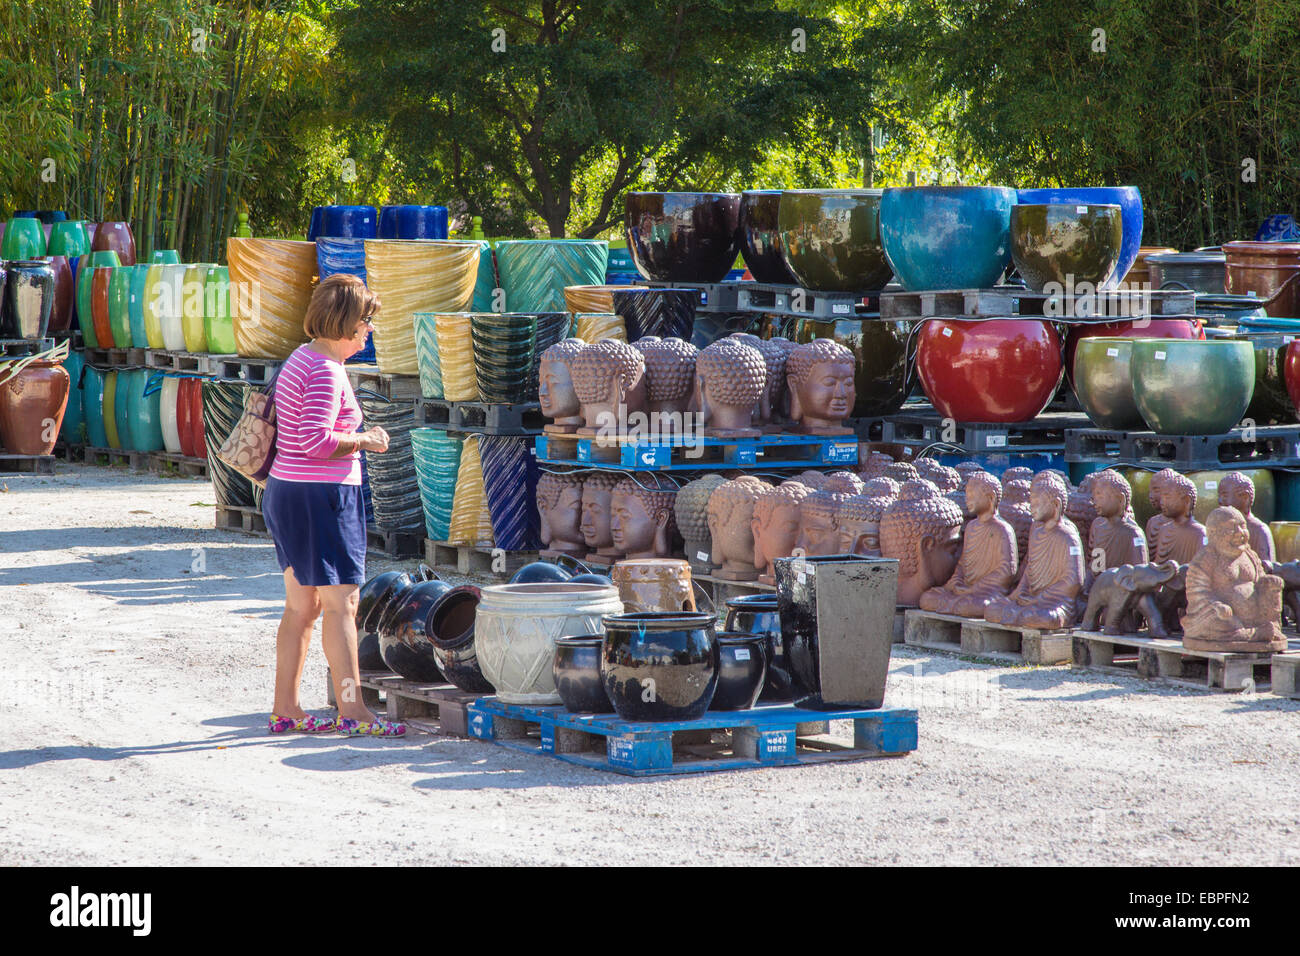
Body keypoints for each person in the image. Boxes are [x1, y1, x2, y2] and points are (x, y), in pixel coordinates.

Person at [262, 274, 404, 737]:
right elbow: (314, 440)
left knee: (301, 608)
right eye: (365, 322)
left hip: (288, 492)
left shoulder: (300, 358)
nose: (369, 331)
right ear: (345, 322)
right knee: (343, 605)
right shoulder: (325, 370)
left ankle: (287, 708)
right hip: (320, 498)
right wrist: (367, 440)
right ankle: (354, 711)